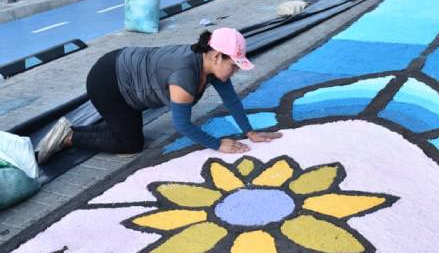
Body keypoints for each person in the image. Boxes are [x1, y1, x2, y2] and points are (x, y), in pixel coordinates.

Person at [35, 27, 282, 164]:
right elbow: (182, 125)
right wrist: (218, 144)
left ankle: (68, 132)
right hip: (108, 82)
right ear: (216, 56)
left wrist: (249, 132)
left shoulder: (213, 67)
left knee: (129, 134)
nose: (236, 70)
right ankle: (69, 137)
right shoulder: (186, 73)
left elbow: (231, 100)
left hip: (124, 76)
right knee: (130, 145)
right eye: (234, 64)